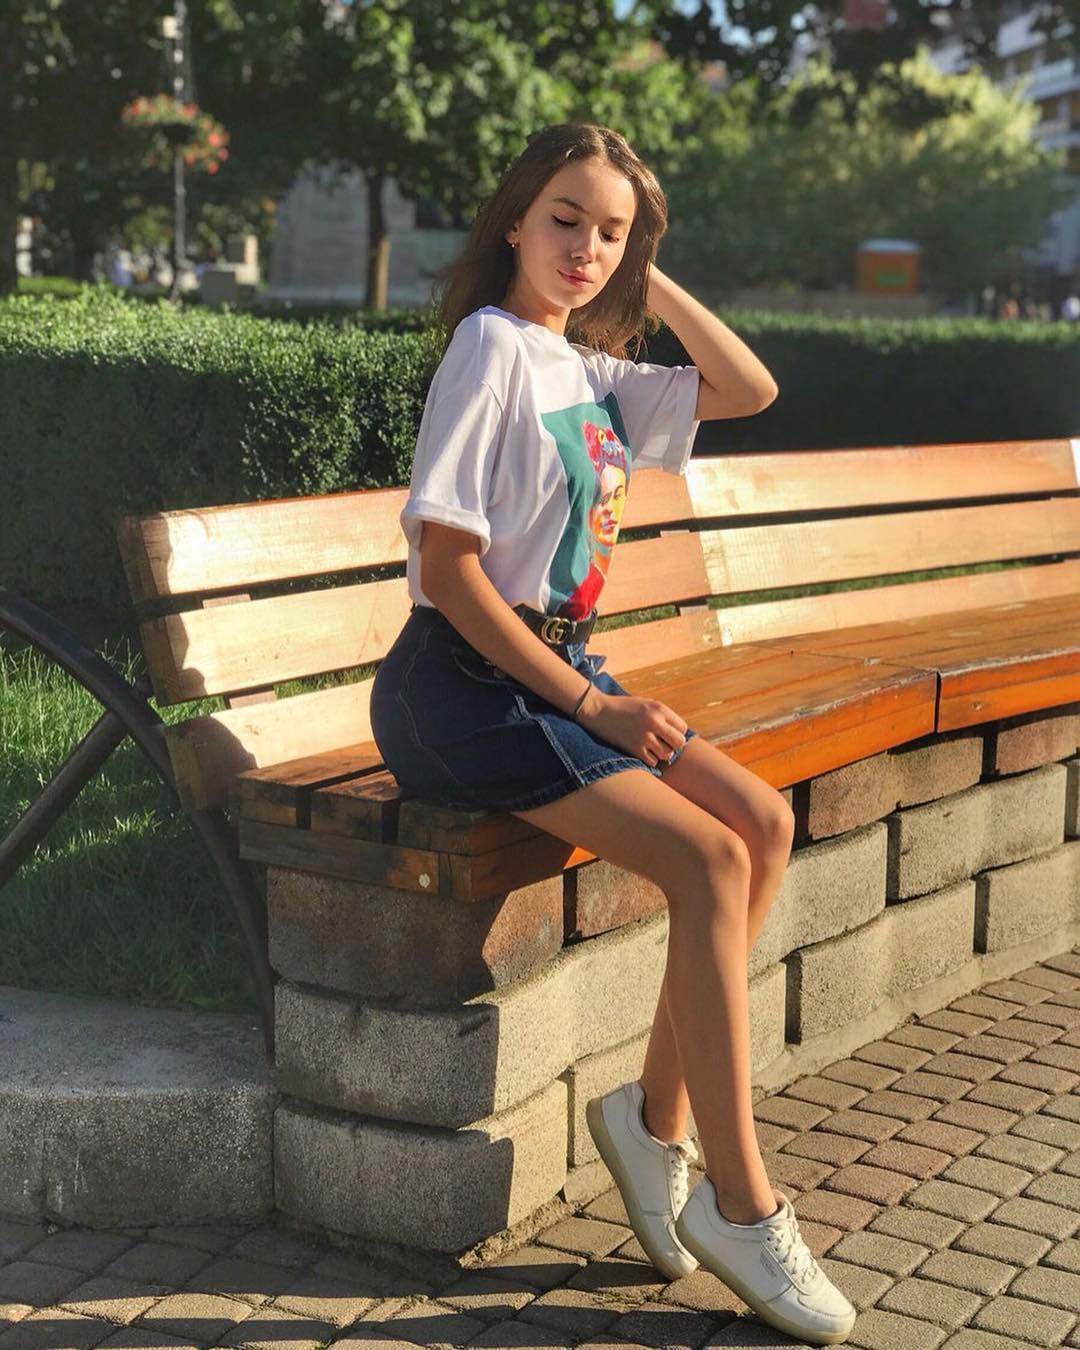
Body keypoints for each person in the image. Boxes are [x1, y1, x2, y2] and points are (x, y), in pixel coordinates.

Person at [369, 122, 857, 1346]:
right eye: (565, 219)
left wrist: (644, 276)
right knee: (708, 857)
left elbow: (749, 389)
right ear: (513, 222)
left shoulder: (588, 368)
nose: (585, 248)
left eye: (612, 233)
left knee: (761, 823)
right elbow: (450, 570)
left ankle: (651, 1125)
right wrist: (592, 707)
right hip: (461, 689)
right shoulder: (492, 348)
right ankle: (742, 1205)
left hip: (558, 672)